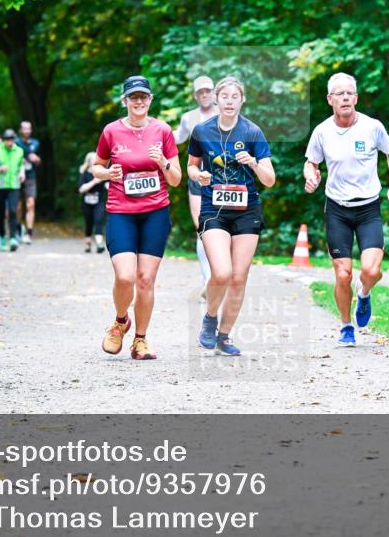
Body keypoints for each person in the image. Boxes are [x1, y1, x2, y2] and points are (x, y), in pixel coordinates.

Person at [302, 72, 389, 346]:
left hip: (368, 208)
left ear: (356, 98)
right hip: (337, 209)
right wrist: (311, 175)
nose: (345, 97)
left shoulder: (372, 127)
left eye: (349, 93)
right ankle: (346, 326)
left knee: (371, 271)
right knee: (343, 273)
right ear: (330, 99)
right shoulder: (322, 131)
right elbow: (311, 162)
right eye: (339, 93)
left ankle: (365, 293)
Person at [92, 76, 181, 360]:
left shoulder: (163, 131)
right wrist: (107, 174)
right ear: (125, 101)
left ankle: (140, 340)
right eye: (133, 97)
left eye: (143, 97)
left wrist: (162, 162)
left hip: (155, 212)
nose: (139, 101)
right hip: (121, 211)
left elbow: (176, 179)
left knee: (145, 280)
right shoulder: (111, 131)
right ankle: (120, 321)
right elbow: (97, 167)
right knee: (125, 276)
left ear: (151, 99)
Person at [187, 76, 275, 356]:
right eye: (223, 96)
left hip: (247, 210)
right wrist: (198, 175)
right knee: (221, 272)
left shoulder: (252, 132)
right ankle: (210, 319)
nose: (228, 101)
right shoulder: (202, 131)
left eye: (234, 96)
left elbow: (270, 179)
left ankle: (224, 337)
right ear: (216, 99)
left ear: (242, 100)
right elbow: (190, 166)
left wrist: (254, 164)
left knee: (238, 278)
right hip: (215, 209)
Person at [175, 75, 217, 298]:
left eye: (208, 91)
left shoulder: (226, 113)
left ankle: (221, 276)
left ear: (214, 93)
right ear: (195, 95)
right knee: (202, 229)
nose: (205, 95)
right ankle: (208, 279)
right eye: (200, 92)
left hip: (224, 178)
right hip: (197, 176)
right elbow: (176, 139)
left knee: (223, 228)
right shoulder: (189, 118)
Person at [0, 129, 26, 252]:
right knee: (1, 213)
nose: (9, 143)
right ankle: (1, 236)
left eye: (11, 140)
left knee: (13, 211)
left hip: (14, 185)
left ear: (14, 140)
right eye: (7, 140)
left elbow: (21, 163)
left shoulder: (19, 151)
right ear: (3, 140)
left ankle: (13, 238)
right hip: (0, 186)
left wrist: (22, 172)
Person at [16, 120, 41, 245]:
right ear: (20, 130)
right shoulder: (16, 143)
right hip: (17, 176)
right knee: (18, 206)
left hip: (31, 176)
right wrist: (27, 156)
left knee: (30, 204)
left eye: (29, 128)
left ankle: (29, 233)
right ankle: (18, 228)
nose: (26, 131)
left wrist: (36, 159)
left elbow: (38, 160)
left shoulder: (36, 143)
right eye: (24, 129)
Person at [78, 151, 107, 253]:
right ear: (89, 162)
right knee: (89, 222)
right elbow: (81, 189)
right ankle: (88, 244)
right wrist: (94, 181)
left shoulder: (102, 172)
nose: (96, 161)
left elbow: (108, 185)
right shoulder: (84, 174)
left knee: (98, 220)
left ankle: (99, 244)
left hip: (99, 201)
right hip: (86, 202)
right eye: (93, 159)